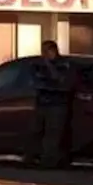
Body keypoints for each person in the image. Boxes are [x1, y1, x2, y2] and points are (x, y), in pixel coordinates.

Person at [26, 40, 71, 168]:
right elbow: (34, 80)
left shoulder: (64, 64)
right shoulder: (37, 65)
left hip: (57, 104)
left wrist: (49, 65)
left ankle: (49, 161)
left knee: (52, 134)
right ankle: (31, 158)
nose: (44, 54)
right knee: (35, 131)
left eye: (47, 51)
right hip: (42, 103)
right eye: (42, 51)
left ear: (54, 50)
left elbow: (59, 79)